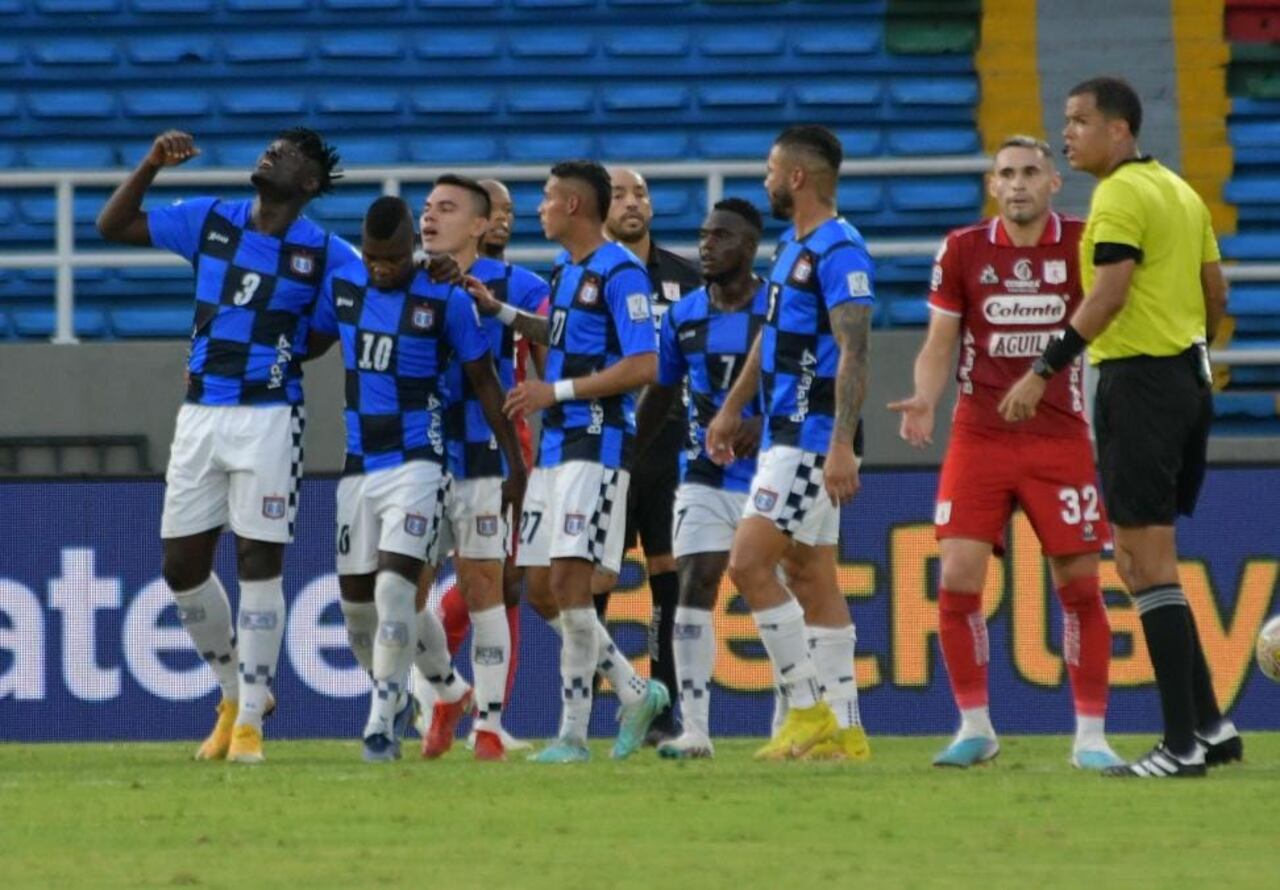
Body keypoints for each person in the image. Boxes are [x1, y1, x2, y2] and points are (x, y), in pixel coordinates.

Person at [1000, 77, 1240, 778]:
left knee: (1142, 564)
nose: (1067, 133)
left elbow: (1109, 294)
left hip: (1139, 381)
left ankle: (1180, 746)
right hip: (1186, 380)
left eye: (1078, 121)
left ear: (1119, 131)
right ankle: (1211, 726)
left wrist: (1042, 370)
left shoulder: (1120, 195)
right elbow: (1216, 292)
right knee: (1154, 560)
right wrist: (1190, 355)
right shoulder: (1178, 190)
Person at [96, 128, 357, 764]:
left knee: (258, 563)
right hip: (200, 414)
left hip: (269, 418)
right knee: (181, 567)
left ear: (309, 183)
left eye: (286, 152)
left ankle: (249, 726)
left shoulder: (328, 254)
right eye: (269, 146)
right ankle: (235, 692)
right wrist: (151, 164)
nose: (270, 153)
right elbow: (113, 225)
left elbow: (324, 334)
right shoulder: (211, 220)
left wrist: (275, 350)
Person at [888, 136, 1124, 770]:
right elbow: (942, 339)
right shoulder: (963, 249)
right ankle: (975, 727)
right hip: (980, 436)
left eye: (1029, 173)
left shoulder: (1082, 242)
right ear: (993, 186)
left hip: (1061, 438)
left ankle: (1091, 737)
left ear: (1054, 183)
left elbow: (1108, 309)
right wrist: (925, 398)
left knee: (1079, 586)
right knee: (958, 581)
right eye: (1006, 175)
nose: (1017, 184)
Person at [466, 159, 669, 763]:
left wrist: (553, 393)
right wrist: (498, 310)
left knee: (569, 582)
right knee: (538, 588)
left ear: (575, 207)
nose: (539, 208)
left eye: (549, 198)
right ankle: (634, 690)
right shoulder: (566, 267)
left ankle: (574, 735)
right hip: (556, 445)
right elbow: (560, 336)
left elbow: (645, 365)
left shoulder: (621, 273)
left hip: (597, 443)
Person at [309, 195, 524, 761]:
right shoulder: (344, 286)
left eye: (392, 260)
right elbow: (303, 343)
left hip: (421, 464)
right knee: (360, 610)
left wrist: (515, 464)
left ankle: (381, 722)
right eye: (374, 259)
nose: (382, 269)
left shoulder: (445, 299)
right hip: (359, 467)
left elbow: (484, 381)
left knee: (394, 589)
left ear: (412, 249)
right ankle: (447, 691)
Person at [706, 125, 872, 761]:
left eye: (773, 169)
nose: (767, 179)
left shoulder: (841, 251)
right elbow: (770, 338)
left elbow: (855, 350)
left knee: (748, 564)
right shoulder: (790, 247)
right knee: (811, 575)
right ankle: (848, 730)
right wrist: (730, 408)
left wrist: (839, 445)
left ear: (798, 178)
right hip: (783, 428)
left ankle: (806, 709)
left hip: (807, 439)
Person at [413, 175, 543, 759]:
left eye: (446, 208)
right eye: (427, 208)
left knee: (492, 589)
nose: (430, 217)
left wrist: (526, 460)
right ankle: (446, 690)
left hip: (485, 454)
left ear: (480, 224)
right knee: (396, 598)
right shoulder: (399, 281)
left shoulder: (522, 287)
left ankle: (488, 725)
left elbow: (559, 354)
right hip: (412, 457)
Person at [633, 198, 768, 759]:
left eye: (723, 236)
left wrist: (766, 422)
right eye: (704, 235)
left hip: (774, 471)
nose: (707, 245)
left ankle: (802, 715)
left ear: (751, 246)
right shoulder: (684, 315)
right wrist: (623, 457)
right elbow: (660, 393)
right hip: (704, 473)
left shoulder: (778, 310)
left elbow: (816, 381)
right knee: (695, 583)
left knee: (786, 591)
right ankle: (696, 730)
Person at [595, 167, 703, 743]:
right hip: (608, 445)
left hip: (672, 448)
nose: (633, 203)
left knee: (668, 574)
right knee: (593, 579)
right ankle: (593, 706)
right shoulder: (586, 278)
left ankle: (664, 710)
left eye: (641, 193)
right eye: (619, 194)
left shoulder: (689, 278)